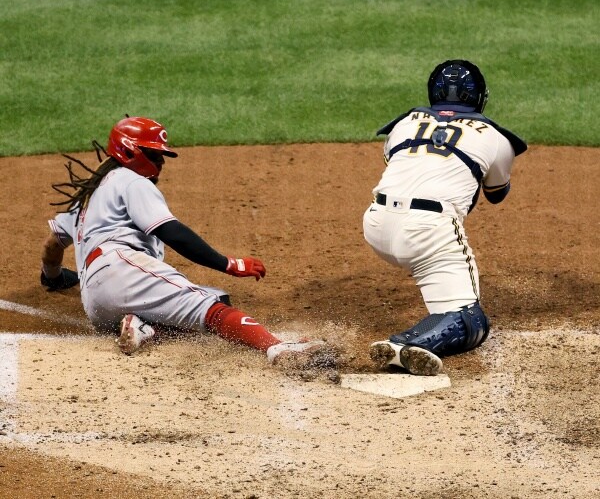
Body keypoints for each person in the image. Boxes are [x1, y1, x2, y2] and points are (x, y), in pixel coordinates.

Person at [40, 116, 330, 365]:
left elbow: (52, 245)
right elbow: (172, 232)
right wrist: (228, 264)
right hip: (122, 269)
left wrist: (53, 277)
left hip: (96, 306)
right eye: (154, 154)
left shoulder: (87, 196)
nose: (160, 162)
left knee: (217, 298)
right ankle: (278, 349)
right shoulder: (131, 181)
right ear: (129, 151)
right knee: (209, 306)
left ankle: (144, 328)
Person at [363, 59, 527, 376]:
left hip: (376, 224)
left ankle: (421, 332)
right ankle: (409, 343)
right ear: (480, 98)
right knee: (471, 320)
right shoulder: (496, 138)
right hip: (428, 233)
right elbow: (496, 193)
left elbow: (405, 166)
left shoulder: (403, 123)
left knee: (438, 284)